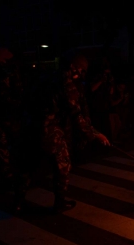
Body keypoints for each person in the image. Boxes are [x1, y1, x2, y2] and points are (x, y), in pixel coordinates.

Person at [13, 51, 110, 213]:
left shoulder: (46, 76)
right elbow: (75, 113)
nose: (81, 75)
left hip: (30, 127)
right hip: (49, 129)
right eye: (81, 71)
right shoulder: (66, 82)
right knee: (62, 165)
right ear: (75, 67)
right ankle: (59, 202)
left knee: (28, 165)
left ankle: (17, 202)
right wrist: (94, 134)